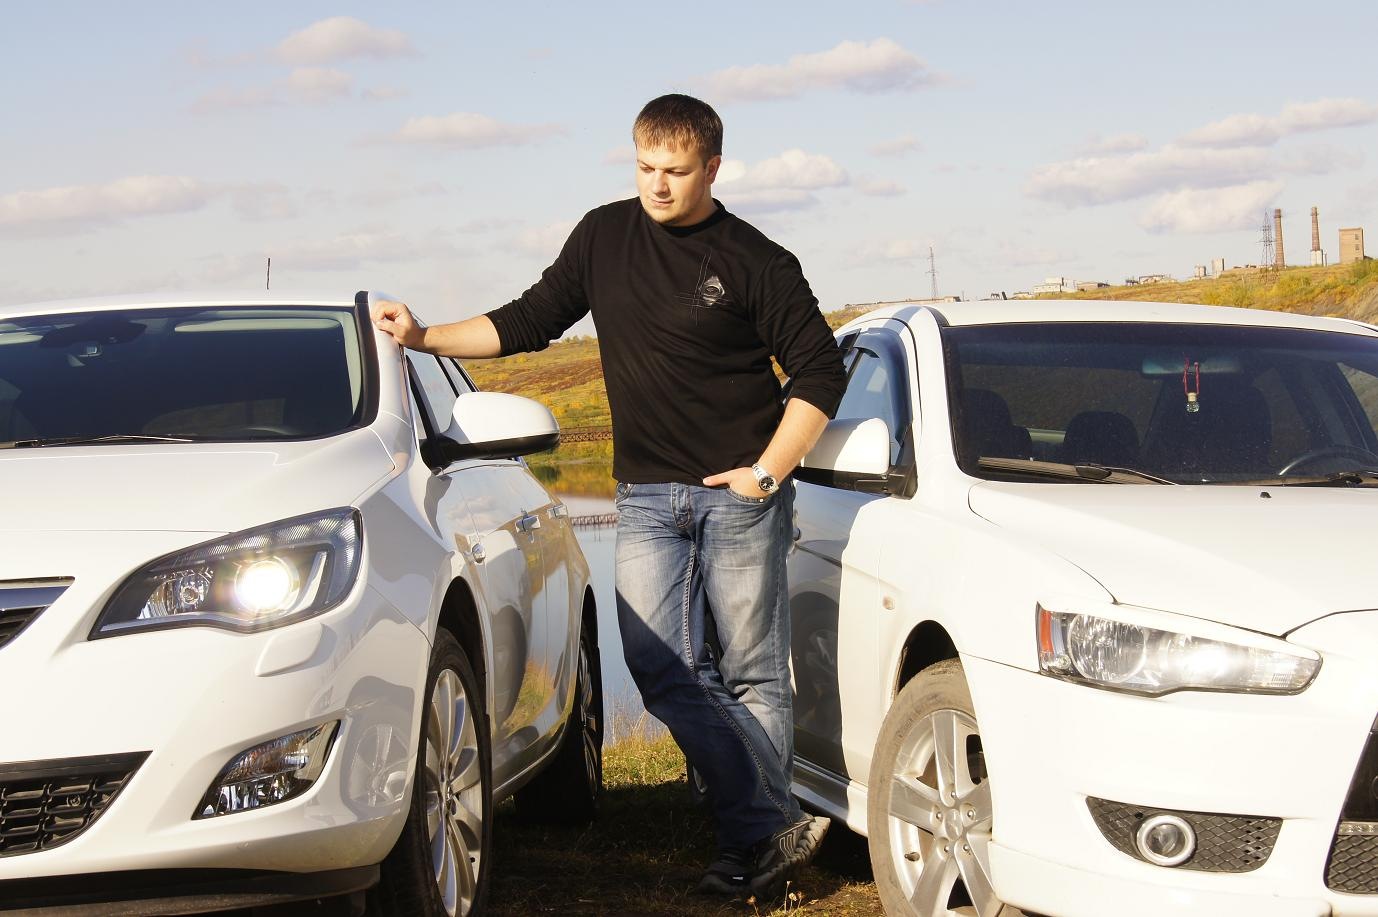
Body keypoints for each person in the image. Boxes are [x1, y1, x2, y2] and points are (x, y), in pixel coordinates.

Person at [372, 93, 846, 898]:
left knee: (751, 674)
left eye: (676, 171)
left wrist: (766, 473)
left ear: (713, 169)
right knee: (659, 663)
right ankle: (772, 819)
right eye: (645, 166)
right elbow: (528, 320)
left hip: (740, 496)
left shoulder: (757, 260)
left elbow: (819, 372)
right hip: (648, 497)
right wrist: (422, 336)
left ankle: (748, 849)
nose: (657, 184)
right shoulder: (603, 236)